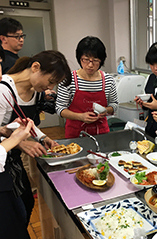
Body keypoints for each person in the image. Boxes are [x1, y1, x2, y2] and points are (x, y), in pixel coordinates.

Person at [0, 50, 72, 227]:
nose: (51, 88)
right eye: (51, 81)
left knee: (26, 203)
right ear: (35, 67)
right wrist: (21, 144)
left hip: (13, 161)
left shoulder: (35, 92)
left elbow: (26, 124)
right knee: (16, 212)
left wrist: (43, 137)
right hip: (2, 163)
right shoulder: (4, 91)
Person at [56, 36, 118, 138]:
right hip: (76, 133)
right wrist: (80, 116)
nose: (90, 65)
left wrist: (105, 110)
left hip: (101, 132)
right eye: (86, 60)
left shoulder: (108, 80)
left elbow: (114, 104)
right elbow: (60, 108)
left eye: (95, 60)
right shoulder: (69, 79)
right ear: (79, 58)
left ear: (101, 60)